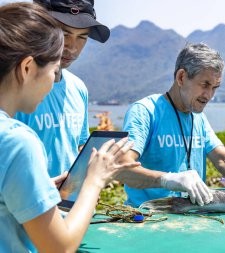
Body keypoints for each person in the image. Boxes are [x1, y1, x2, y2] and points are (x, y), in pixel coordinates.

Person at [0, 3, 140, 252]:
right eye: (53, 71)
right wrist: (93, 182)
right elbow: (60, 248)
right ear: (27, 67)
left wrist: (42, 187)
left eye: (82, 37)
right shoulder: (17, 140)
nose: (55, 80)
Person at [118, 43, 225, 207]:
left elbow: (222, 159)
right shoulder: (145, 112)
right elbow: (122, 169)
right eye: (205, 85)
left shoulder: (198, 117)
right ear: (181, 77)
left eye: (215, 87)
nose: (209, 95)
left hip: (191, 217)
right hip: (147, 217)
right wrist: (167, 179)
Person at [15, 0, 111, 178]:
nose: (72, 47)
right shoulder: (13, 87)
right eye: (64, 33)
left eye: (82, 37)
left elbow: (79, 145)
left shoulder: (78, 88)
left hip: (69, 203)